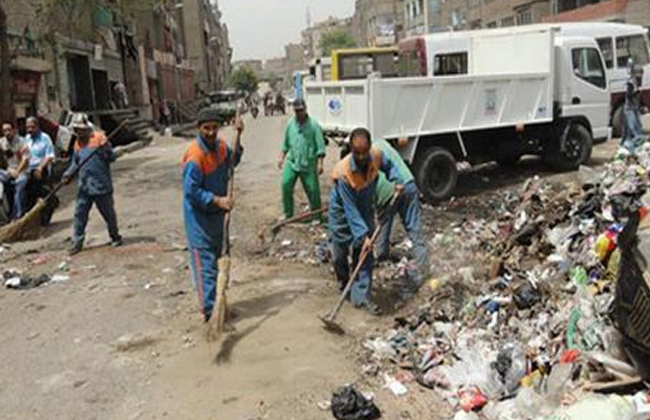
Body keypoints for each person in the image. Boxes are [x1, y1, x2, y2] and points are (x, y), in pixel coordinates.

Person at [329, 127, 404, 315]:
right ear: (351, 150)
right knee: (339, 253)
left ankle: (360, 297)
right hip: (342, 212)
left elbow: (390, 166)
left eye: (364, 152)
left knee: (365, 254)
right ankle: (345, 283)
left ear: (370, 147)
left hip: (365, 206)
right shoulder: (343, 173)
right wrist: (363, 236)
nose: (362, 157)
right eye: (357, 153)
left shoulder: (376, 155)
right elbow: (350, 211)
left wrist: (397, 180)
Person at [183, 107, 244, 322]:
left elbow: (231, 163)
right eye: (206, 128)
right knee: (205, 265)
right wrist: (218, 200)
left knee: (221, 260)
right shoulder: (195, 156)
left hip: (217, 217)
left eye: (214, 128)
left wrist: (239, 137)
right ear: (199, 128)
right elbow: (191, 191)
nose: (210, 132)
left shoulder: (220, 147)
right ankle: (211, 313)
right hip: (199, 219)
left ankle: (220, 303)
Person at [373, 138, 430, 299]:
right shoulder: (382, 144)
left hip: (390, 191)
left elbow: (376, 192)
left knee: (383, 224)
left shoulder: (369, 158)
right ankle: (424, 265)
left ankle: (382, 255)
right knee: (414, 228)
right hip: (409, 183)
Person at [63, 114, 122, 256]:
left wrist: (106, 149)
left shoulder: (99, 139)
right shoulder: (77, 143)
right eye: (76, 130)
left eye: (80, 130)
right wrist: (67, 174)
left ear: (86, 128)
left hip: (101, 185)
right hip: (84, 186)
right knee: (79, 214)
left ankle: (115, 236)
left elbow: (111, 157)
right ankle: (77, 242)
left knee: (108, 214)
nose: (78, 133)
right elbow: (75, 163)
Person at [278, 99, 326, 221]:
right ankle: (288, 213)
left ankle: (316, 215)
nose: (299, 113)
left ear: (305, 109)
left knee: (313, 190)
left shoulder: (314, 126)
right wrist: (281, 158)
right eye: (296, 111)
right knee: (285, 185)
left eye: (301, 110)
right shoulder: (290, 124)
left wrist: (320, 164)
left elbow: (320, 146)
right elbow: (286, 143)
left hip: (308, 163)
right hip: (292, 161)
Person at [0, 122, 30, 219]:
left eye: (9, 130)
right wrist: (9, 170)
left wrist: (17, 171)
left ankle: (17, 216)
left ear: (14, 130)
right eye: (4, 130)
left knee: (19, 185)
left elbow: (25, 159)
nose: (7, 132)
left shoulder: (21, 141)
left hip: (22, 171)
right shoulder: (1, 142)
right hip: (8, 172)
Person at [622, 58, 646, 152]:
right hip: (630, 109)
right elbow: (629, 95)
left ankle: (627, 146)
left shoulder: (637, 82)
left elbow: (639, 97)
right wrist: (636, 92)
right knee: (634, 128)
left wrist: (642, 106)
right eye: (639, 73)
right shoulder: (631, 82)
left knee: (633, 128)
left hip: (634, 108)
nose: (640, 75)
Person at [24, 116, 56, 183]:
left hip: (40, 167)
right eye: (28, 127)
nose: (30, 130)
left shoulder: (45, 138)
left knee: (35, 178)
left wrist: (40, 167)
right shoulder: (27, 138)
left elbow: (49, 155)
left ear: (37, 126)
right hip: (28, 168)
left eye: (32, 127)